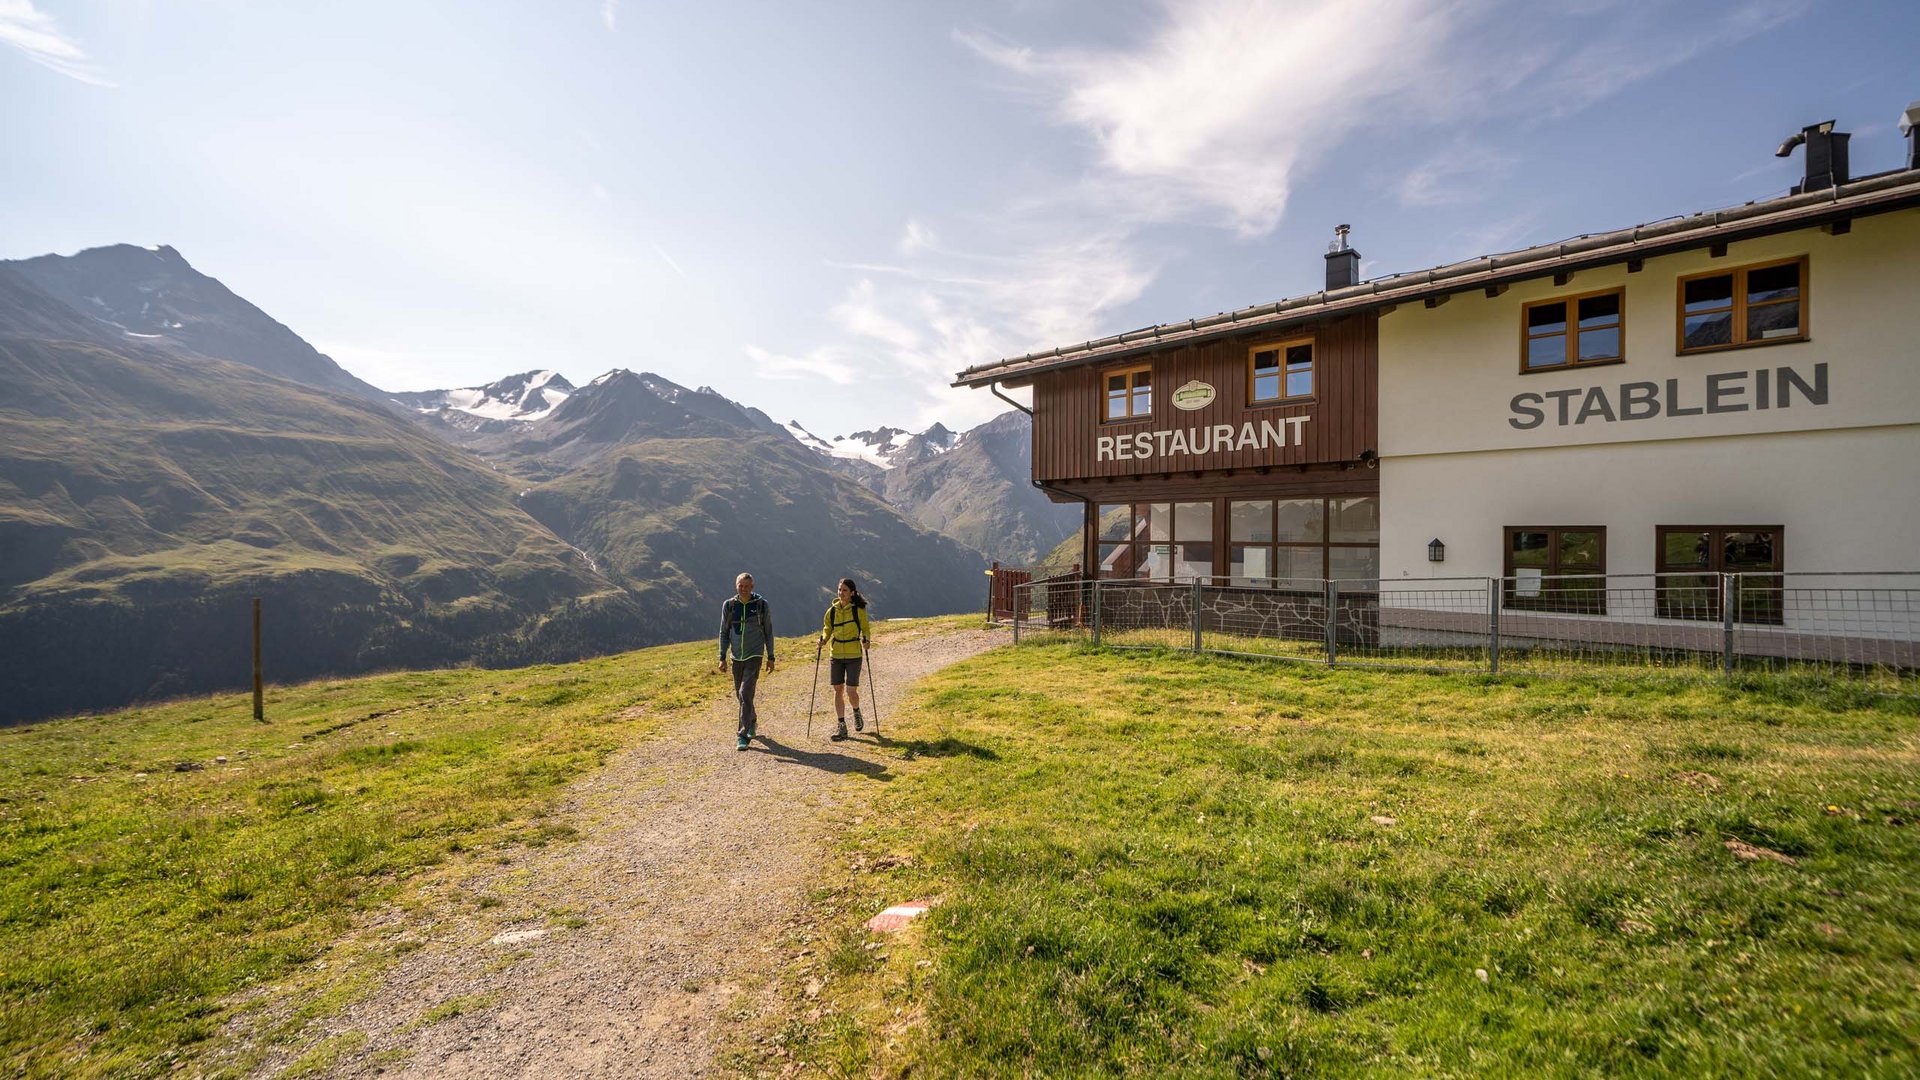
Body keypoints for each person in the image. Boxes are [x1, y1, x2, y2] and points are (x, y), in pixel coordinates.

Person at [717, 572, 774, 751]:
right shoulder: (729, 605)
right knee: (741, 696)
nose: (744, 589)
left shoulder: (761, 605)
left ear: (752, 587)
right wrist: (722, 657)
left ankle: (742, 735)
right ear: (736, 586)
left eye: (747, 586)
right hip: (736, 656)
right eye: (741, 586)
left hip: (754, 655)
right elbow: (723, 632)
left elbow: (768, 632)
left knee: (744, 692)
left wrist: (770, 656)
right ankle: (752, 720)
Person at [818, 577, 872, 742]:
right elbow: (827, 628)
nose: (841, 593)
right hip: (836, 654)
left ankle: (856, 711)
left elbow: (865, 628)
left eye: (845, 590)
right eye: (840, 590)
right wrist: (824, 639)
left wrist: (866, 640)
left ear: (852, 593)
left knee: (850, 691)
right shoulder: (832, 611)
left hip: (854, 654)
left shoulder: (858, 611)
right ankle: (842, 726)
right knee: (837, 690)